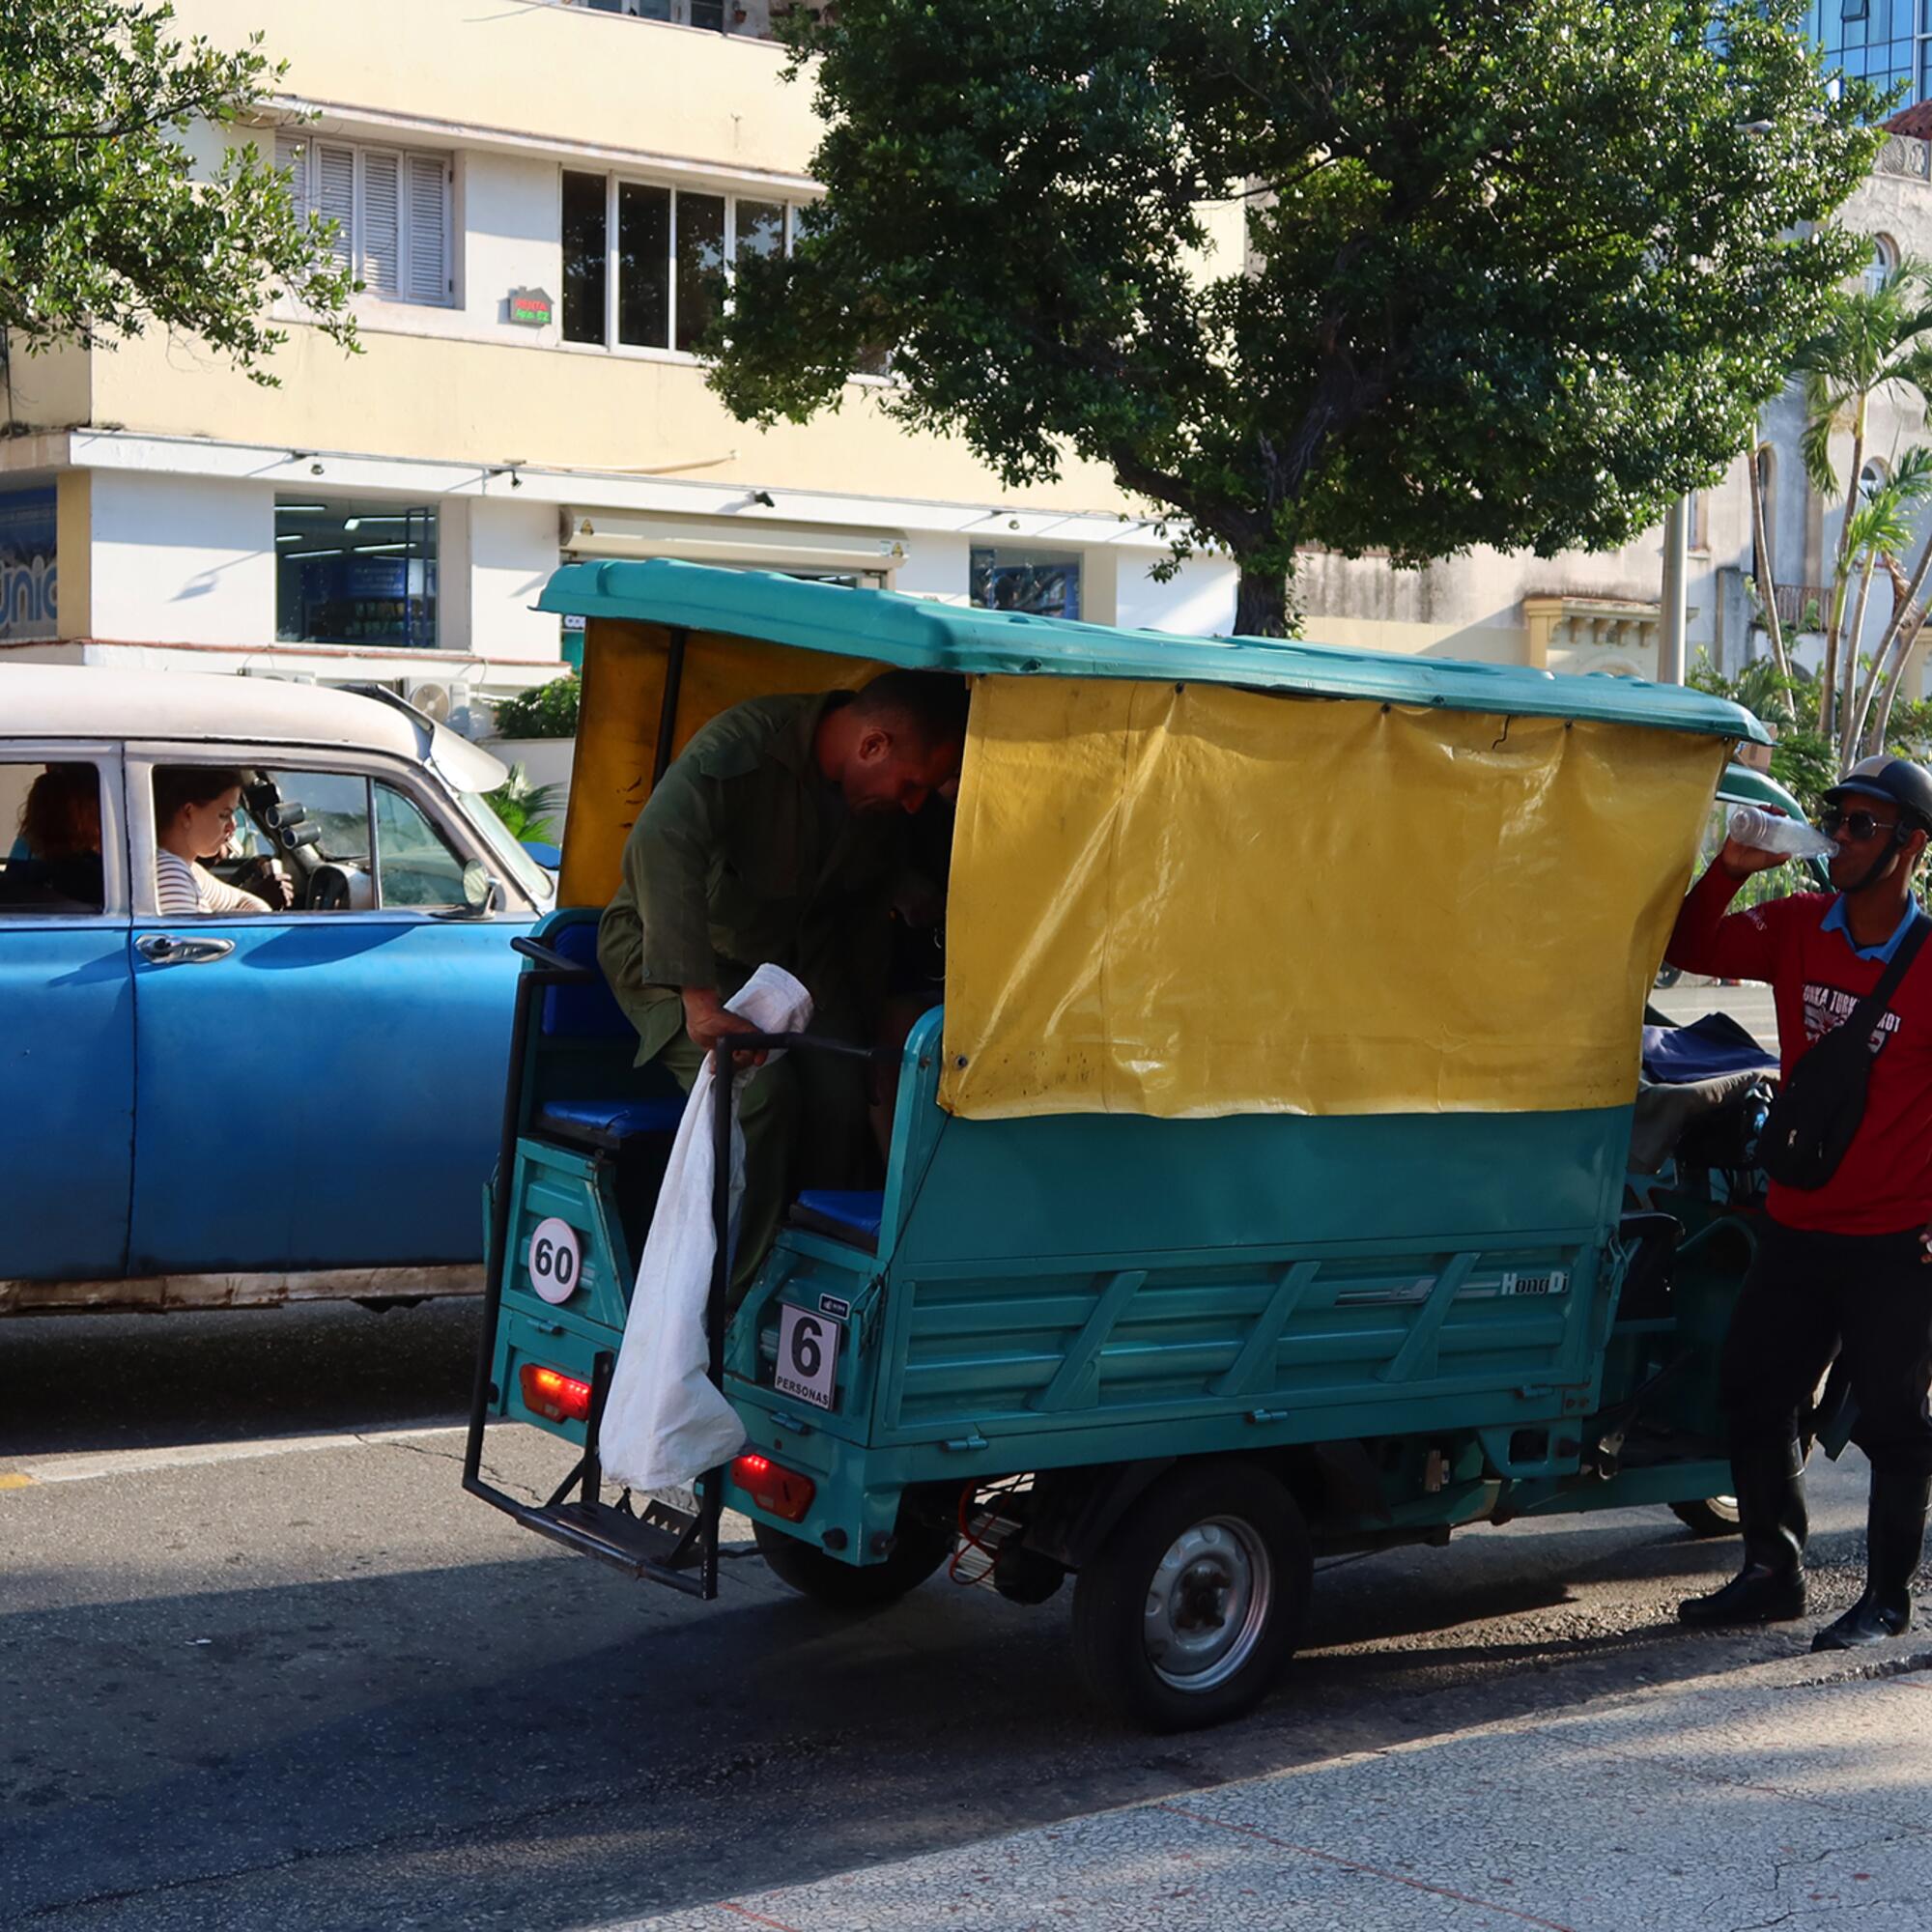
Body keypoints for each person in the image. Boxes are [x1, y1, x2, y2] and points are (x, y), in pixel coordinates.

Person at [1668, 756, 1932, 1650]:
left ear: (1910, 847)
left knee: (1895, 1422)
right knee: (1753, 1388)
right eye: (1839, 821)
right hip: (1798, 1222)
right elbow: (1690, 949)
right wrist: (1731, 870)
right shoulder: (1796, 926)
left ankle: (1887, 1600)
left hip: (1898, 1239)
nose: (1841, 839)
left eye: (1865, 826)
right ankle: (1772, 1572)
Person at [598, 671, 970, 1291]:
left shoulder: (871, 806)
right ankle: (728, 1305)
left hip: (783, 974)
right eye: (911, 786)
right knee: (759, 1100)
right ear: (873, 745)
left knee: (842, 1099)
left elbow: (851, 927)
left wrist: (867, 1042)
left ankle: (806, 1282)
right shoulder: (747, 744)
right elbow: (662, 844)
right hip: (666, 957)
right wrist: (701, 1004)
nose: (912, 805)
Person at [152, 766, 289, 915]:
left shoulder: (189, 870)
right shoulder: (170, 874)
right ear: (187, 814)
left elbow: (241, 900)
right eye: (224, 815)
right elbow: (192, 937)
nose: (233, 826)